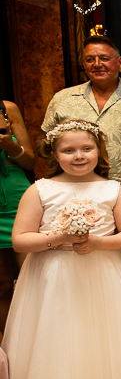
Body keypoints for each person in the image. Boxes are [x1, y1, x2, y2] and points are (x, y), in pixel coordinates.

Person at [5, 120, 121, 379]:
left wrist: (96, 242)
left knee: (105, 337)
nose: (78, 156)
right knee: (57, 336)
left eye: (86, 148)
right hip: (53, 279)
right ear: (54, 154)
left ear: (99, 151)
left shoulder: (112, 189)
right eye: (68, 150)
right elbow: (19, 240)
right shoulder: (40, 190)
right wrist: (58, 238)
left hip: (104, 275)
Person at [39, 36, 121, 295]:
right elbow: (43, 144)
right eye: (90, 59)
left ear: (119, 63)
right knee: (77, 256)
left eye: (104, 58)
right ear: (84, 64)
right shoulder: (63, 99)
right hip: (73, 197)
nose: (97, 64)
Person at [0, 100, 34, 332]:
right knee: (1, 285)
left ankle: (38, 345)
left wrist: (9, 146)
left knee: (32, 281)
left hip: (17, 199)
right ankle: (9, 351)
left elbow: (30, 161)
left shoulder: (7, 109)